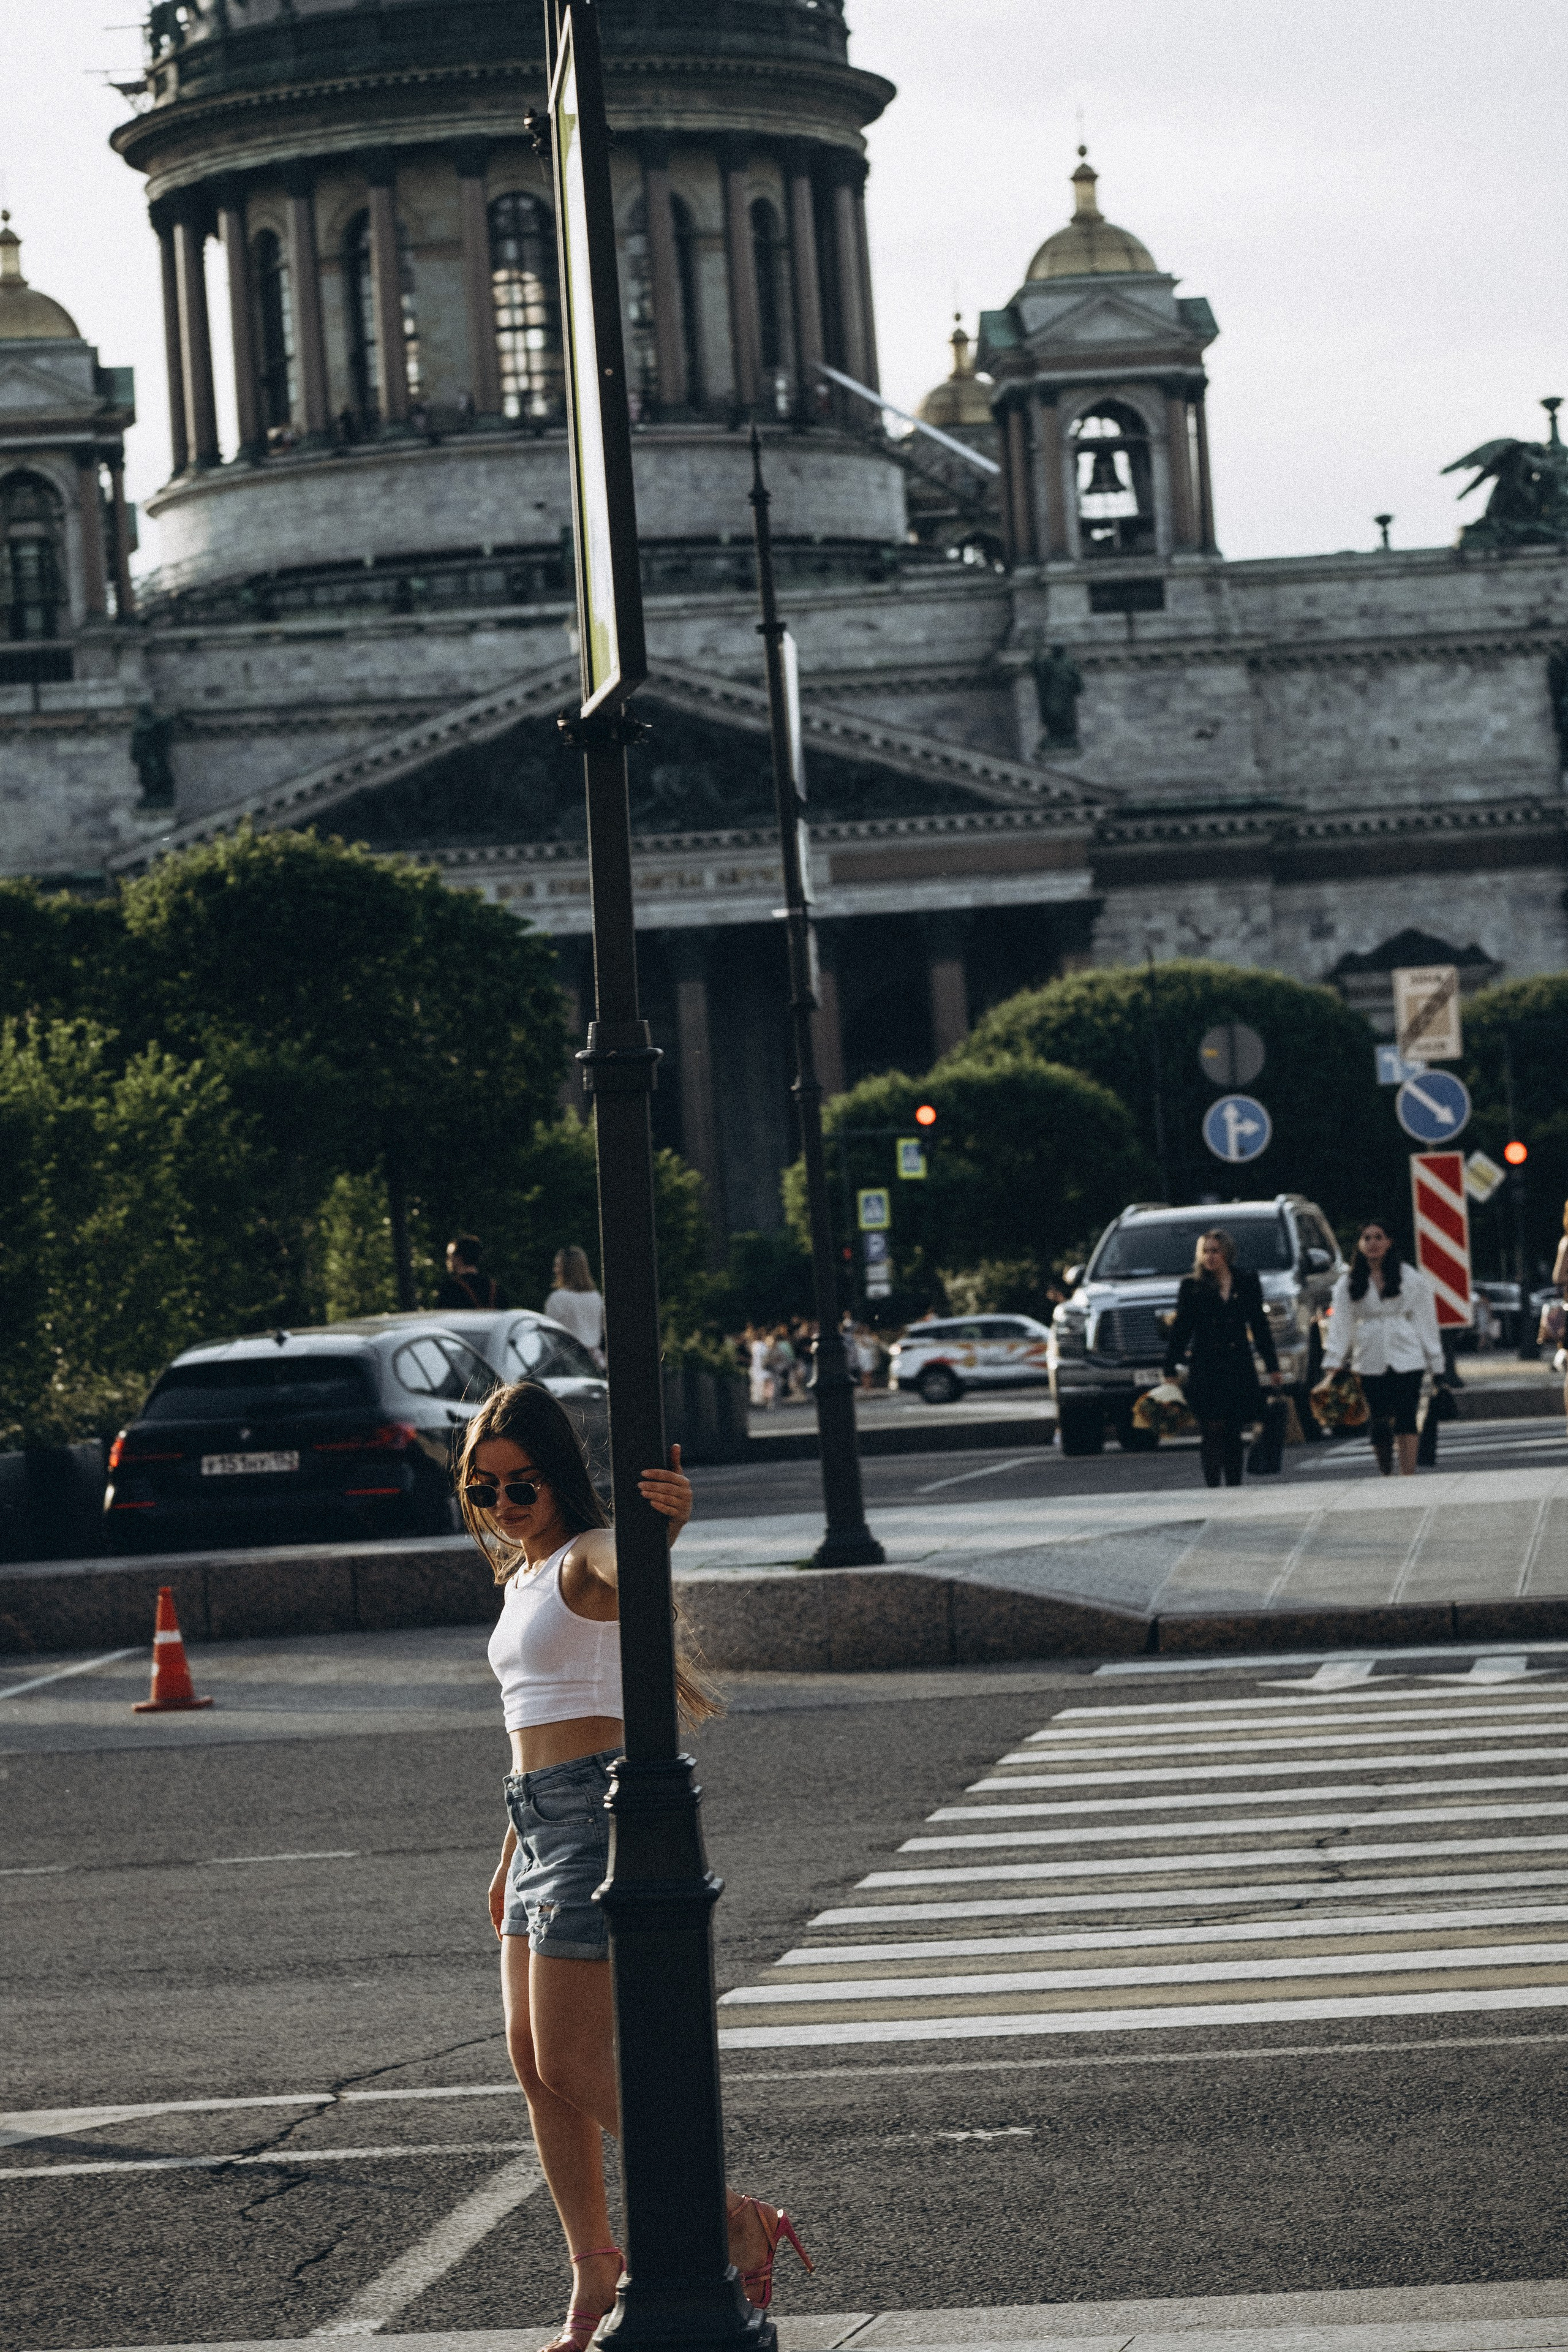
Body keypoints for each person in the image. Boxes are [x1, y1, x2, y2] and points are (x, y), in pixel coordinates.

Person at [464, 1382, 810, 2348]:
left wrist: (664, 1532)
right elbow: (526, 1724)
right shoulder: (522, 1577)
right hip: (535, 1823)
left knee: (573, 2061)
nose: (504, 1504)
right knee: (532, 2063)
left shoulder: (586, 1558)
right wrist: (508, 1855)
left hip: (589, 1817)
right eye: (485, 1489)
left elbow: (632, 1563)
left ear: (558, 1477)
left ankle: (729, 2216)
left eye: (522, 1484)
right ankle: (592, 2271)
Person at [1316, 1217, 1443, 1476]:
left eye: (1379, 1237)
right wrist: (1334, 1360)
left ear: (1389, 1242)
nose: (1373, 1243)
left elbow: (1425, 1319)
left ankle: (1408, 1473)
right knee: (1379, 1419)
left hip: (1407, 1355)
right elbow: (1341, 1324)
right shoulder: (1349, 1282)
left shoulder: (1409, 1277)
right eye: (1367, 1238)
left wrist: (1436, 1360)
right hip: (1368, 1358)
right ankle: (1386, 1472)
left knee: (1407, 1416)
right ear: (1360, 1244)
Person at [1162, 1227, 1282, 1488]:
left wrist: (1272, 1366)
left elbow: (1259, 1326)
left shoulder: (1246, 1281)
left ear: (1227, 1252)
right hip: (1207, 1366)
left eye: (1215, 1251)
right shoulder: (1192, 1286)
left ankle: (1234, 1486)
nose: (1210, 1257)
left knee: (1233, 1430)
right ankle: (1213, 1487)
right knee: (1211, 1429)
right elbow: (1182, 1328)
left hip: (1238, 1365)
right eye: (1205, 1252)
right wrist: (1169, 1365)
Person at [545, 1246, 606, 1365]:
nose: (555, 1270)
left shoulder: (558, 1298)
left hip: (568, 1363)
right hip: (596, 1362)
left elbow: (549, 1336)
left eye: (558, 1265)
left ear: (567, 1269)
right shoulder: (596, 1297)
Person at [438, 1234, 505, 1311]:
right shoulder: (496, 1289)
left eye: (450, 1256)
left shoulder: (450, 1289)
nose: (447, 1260)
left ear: (459, 1258)